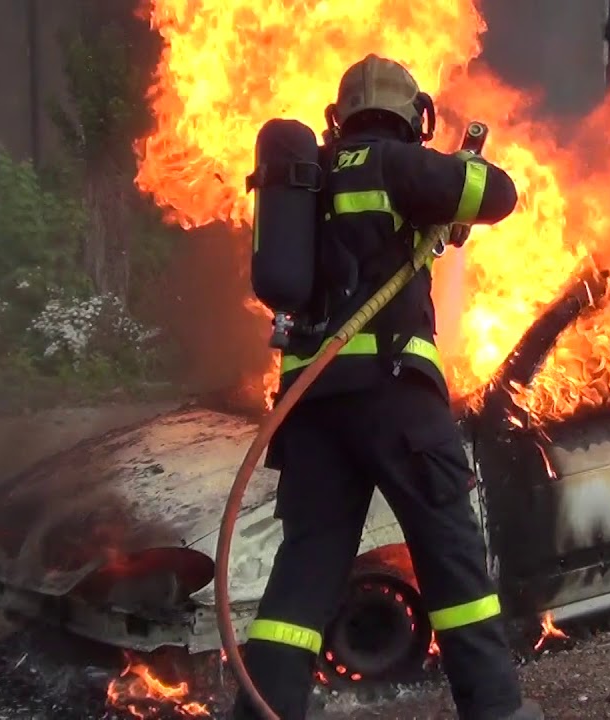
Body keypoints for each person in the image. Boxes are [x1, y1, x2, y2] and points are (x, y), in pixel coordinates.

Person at [231, 54, 543, 720]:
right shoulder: (397, 164)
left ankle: (261, 711)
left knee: (305, 573)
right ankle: (496, 712)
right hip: (395, 399)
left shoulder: (307, 179)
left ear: (337, 116)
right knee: (452, 560)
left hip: (312, 413)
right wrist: (469, 171)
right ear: (414, 117)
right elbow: (497, 195)